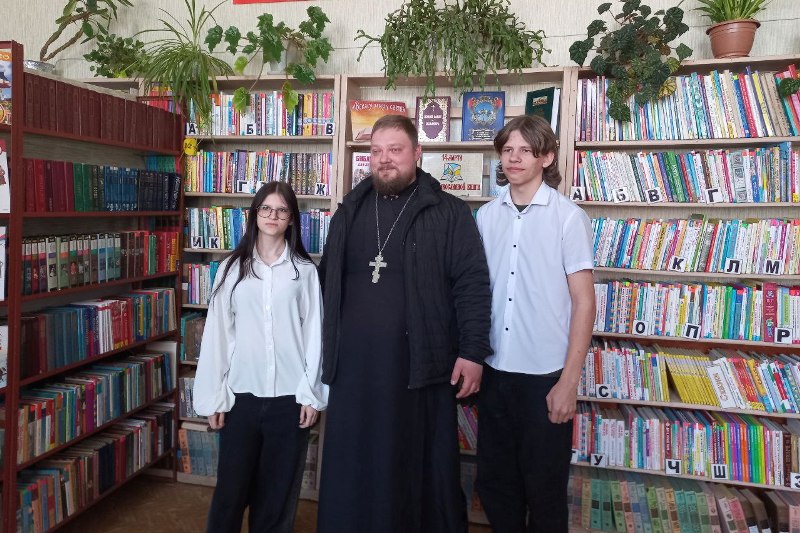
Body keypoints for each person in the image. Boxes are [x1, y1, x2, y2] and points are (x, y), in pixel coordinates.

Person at [317, 114, 492, 532]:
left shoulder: (449, 212)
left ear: (417, 153)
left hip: (419, 368)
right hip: (353, 372)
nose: (384, 159)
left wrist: (472, 352)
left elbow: (472, 285)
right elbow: (325, 284)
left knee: (414, 468)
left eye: (395, 150)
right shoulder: (348, 211)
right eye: (376, 151)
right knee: (354, 465)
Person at [475, 115, 596, 533]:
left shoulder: (568, 217)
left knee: (544, 492)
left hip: (545, 379)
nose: (514, 158)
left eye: (525, 150)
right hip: (494, 373)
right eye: (507, 150)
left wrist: (569, 382)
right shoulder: (486, 216)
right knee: (496, 485)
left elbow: (584, 302)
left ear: (546, 157)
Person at [192, 181, 327, 533]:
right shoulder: (231, 269)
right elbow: (219, 337)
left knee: (277, 497)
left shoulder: (304, 272)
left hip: (289, 401)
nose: (273, 216)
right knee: (230, 492)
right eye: (266, 208)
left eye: (281, 210)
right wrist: (215, 397)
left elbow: (315, 336)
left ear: (292, 219)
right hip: (242, 398)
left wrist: (311, 394)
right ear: (254, 214)